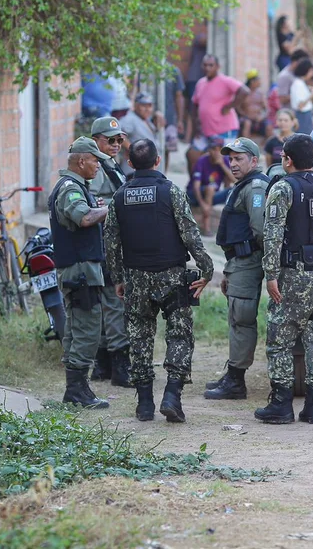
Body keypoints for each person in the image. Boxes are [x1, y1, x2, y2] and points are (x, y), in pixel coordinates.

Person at [105, 139, 214, 422]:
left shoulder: (119, 197)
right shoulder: (171, 192)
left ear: (130, 163)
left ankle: (143, 404)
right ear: (158, 162)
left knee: (139, 336)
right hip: (172, 276)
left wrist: (118, 278)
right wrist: (206, 267)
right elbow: (190, 233)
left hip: (136, 277)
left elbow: (111, 243)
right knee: (179, 334)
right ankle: (172, 395)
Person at [254, 134, 313, 425]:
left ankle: (281, 405)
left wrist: (270, 275)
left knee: (280, 340)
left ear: (287, 159)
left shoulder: (283, 188)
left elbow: (271, 234)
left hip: (296, 276)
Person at [48, 138, 113, 409]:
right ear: (81, 161)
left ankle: (76, 389)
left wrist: (96, 206)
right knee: (87, 327)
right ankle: (77, 390)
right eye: (95, 160)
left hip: (82, 269)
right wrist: (111, 209)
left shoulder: (75, 188)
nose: (98, 165)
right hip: (80, 270)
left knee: (78, 328)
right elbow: (83, 218)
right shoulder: (70, 188)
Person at [204, 138, 270, 400]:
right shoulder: (242, 185)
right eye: (230, 159)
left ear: (254, 161)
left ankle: (236, 381)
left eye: (239, 158)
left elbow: (260, 230)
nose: (233, 163)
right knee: (236, 316)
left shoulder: (255, 187)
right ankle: (233, 373)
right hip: (239, 261)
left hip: (248, 259)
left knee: (241, 318)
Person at [87, 116, 133, 386]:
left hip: (111, 244)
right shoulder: (95, 169)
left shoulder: (110, 165)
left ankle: (103, 365)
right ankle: (119, 365)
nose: (116, 144)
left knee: (108, 304)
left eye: (119, 140)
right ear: (96, 141)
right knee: (115, 305)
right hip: (104, 245)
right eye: (110, 140)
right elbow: (95, 206)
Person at [188, 137, 235, 234]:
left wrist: (222, 164)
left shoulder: (224, 161)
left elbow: (235, 180)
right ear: (209, 150)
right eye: (214, 149)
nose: (217, 152)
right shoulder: (202, 160)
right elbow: (196, 186)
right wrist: (203, 205)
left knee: (236, 190)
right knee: (210, 188)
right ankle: (206, 227)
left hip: (213, 195)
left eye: (219, 150)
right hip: (195, 195)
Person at [121, 92, 165, 171]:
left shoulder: (146, 119)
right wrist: (132, 149)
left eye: (149, 106)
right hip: (135, 170)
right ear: (136, 105)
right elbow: (119, 134)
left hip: (149, 169)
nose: (147, 109)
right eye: (143, 105)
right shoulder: (130, 118)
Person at [183, 34, 208, 142]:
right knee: (192, 109)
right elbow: (203, 40)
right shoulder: (200, 38)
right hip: (194, 79)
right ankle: (187, 138)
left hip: (201, 79)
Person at [239, 69, 272, 141]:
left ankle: (267, 147)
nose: (260, 82)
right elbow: (237, 107)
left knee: (269, 126)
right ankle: (246, 146)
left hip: (258, 119)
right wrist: (245, 115)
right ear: (252, 81)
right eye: (258, 80)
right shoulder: (243, 92)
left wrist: (262, 117)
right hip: (246, 119)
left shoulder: (260, 93)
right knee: (247, 124)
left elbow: (267, 109)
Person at [290, 59, 313, 133]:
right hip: (302, 117)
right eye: (311, 71)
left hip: (306, 116)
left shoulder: (302, 83)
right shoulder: (298, 84)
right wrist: (312, 95)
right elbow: (300, 105)